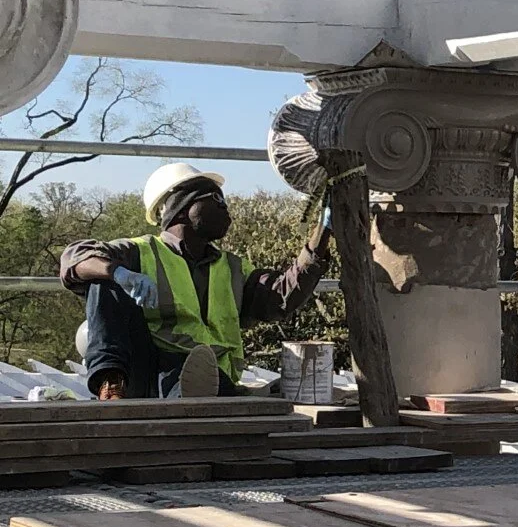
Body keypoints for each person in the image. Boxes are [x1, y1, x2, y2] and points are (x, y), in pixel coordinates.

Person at [60, 162, 331, 400]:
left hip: (206, 375)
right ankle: (111, 386)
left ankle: (201, 399)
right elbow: (75, 257)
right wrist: (118, 272)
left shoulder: (233, 268)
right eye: (214, 198)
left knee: (201, 383)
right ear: (179, 207)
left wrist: (321, 234)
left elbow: (280, 297)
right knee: (102, 277)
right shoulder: (139, 252)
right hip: (145, 371)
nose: (225, 207)